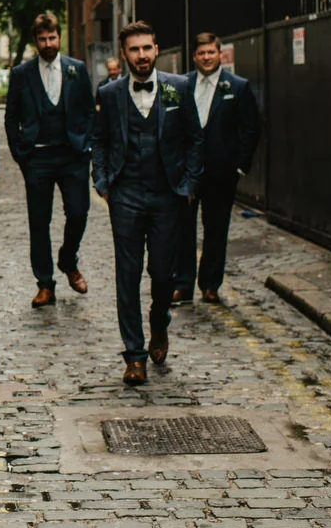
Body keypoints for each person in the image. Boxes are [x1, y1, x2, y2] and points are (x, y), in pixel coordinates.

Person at [91, 21, 203, 385]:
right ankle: (134, 355)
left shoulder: (180, 88)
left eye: (147, 48)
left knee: (162, 274)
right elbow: (101, 140)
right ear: (124, 55)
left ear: (157, 49)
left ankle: (159, 323)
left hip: (168, 195)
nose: (141, 55)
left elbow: (195, 140)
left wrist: (187, 185)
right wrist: (103, 181)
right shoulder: (110, 94)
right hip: (125, 195)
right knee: (127, 274)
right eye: (134, 50)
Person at [5, 11, 95, 307]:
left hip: (73, 155)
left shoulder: (77, 69)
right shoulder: (21, 74)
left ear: (60, 37)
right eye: (42, 39)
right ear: (36, 41)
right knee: (39, 222)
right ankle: (45, 284)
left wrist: (86, 147)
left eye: (52, 38)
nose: (47, 44)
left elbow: (88, 111)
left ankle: (68, 260)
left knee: (79, 213)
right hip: (38, 157)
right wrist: (21, 156)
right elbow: (11, 118)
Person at [173, 33, 261, 305]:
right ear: (194, 56)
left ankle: (210, 284)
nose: (206, 57)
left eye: (211, 52)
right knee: (183, 228)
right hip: (188, 171)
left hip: (221, 172)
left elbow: (251, 128)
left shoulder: (237, 86)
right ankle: (183, 284)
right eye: (201, 53)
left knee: (216, 229)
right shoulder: (182, 84)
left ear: (219, 53)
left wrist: (240, 167)